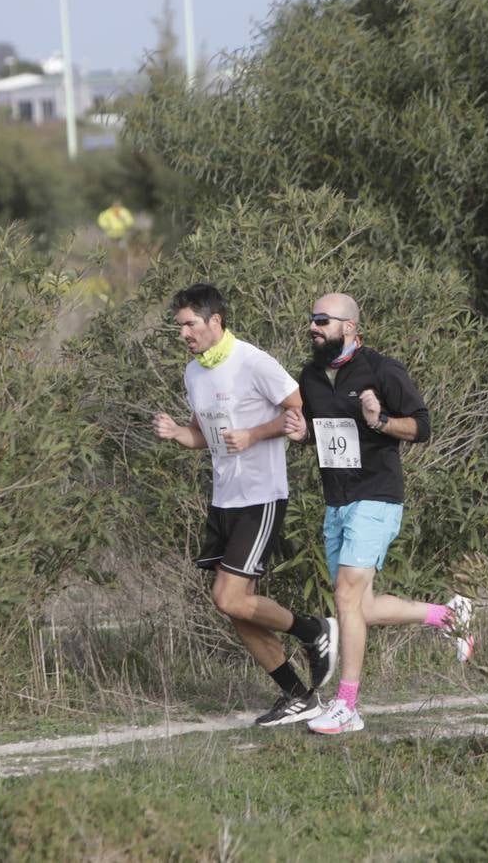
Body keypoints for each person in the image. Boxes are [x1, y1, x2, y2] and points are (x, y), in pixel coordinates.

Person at [284, 292, 473, 735]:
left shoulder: (382, 369)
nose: (312, 327)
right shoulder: (310, 376)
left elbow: (421, 427)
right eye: (311, 320)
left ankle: (346, 705)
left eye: (321, 320)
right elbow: (321, 431)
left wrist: (381, 420)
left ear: (349, 327)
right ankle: (448, 616)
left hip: (377, 496)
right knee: (358, 607)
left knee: (346, 596)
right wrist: (301, 433)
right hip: (337, 500)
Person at [152, 283, 338, 725]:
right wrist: (179, 432)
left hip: (261, 494)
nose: (183, 334)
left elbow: (298, 414)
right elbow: (204, 436)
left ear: (215, 321)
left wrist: (254, 434)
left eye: (189, 325)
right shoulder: (194, 372)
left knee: (226, 596)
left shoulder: (253, 361)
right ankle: (298, 695)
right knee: (236, 608)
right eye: (179, 326)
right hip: (224, 498)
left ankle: (315, 630)